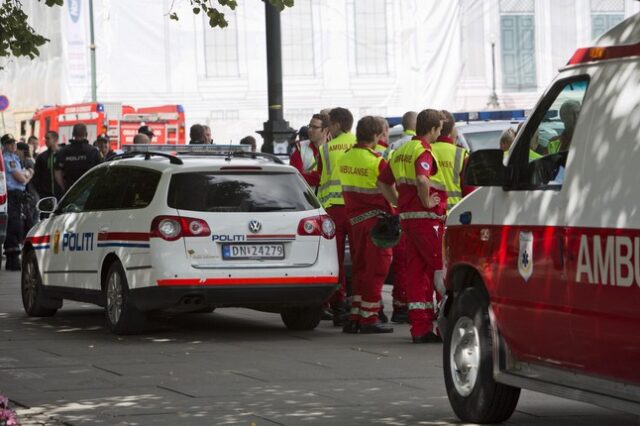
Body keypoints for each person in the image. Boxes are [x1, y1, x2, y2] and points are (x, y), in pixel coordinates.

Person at [377, 109, 447, 343]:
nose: (439, 133)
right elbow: (421, 179)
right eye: (439, 129)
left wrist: (399, 203)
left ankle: (420, 328)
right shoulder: (423, 150)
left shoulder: (400, 150)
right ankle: (446, 326)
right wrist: (427, 201)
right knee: (440, 270)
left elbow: (383, 182)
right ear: (433, 129)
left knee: (416, 274)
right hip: (428, 221)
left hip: (408, 220)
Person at [338, 116, 394, 334]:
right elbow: (388, 190)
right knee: (377, 269)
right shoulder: (376, 161)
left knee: (360, 268)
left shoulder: (345, 158)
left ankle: (356, 314)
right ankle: (369, 317)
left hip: (354, 221)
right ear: (376, 135)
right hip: (376, 223)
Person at [317, 107, 357, 325]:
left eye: (330, 124)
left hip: (333, 209)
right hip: (356, 207)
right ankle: (361, 305)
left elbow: (319, 178)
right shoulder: (361, 144)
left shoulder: (325, 149)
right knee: (361, 259)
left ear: (338, 125)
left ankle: (339, 306)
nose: (328, 129)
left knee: (337, 260)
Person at [2, 134, 34, 270]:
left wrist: (26, 175)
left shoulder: (15, 157)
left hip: (19, 195)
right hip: (13, 195)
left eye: (14, 143)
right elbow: (21, 178)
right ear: (4, 145)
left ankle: (18, 255)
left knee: (26, 224)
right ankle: (12, 258)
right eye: (9, 143)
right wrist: (29, 174)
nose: (13, 145)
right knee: (14, 225)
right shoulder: (8, 158)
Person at [54, 123, 102, 192]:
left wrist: (64, 188)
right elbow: (99, 172)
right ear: (86, 134)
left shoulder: (64, 151)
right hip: (88, 191)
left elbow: (57, 172)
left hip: (70, 191)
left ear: (73, 134)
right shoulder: (93, 151)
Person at [290, 113, 329, 192]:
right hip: (307, 201)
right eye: (309, 126)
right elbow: (295, 177)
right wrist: (320, 176)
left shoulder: (334, 148)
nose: (310, 130)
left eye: (314, 127)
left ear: (325, 130)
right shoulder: (300, 147)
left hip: (328, 202)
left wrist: (307, 173)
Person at [33, 131, 64, 200]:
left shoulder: (63, 154)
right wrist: (41, 191)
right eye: (45, 138)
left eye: (48, 138)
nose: (45, 141)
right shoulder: (41, 157)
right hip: (46, 195)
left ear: (55, 139)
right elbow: (36, 176)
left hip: (62, 194)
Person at [16, 142, 39, 230]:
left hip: (31, 194)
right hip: (33, 194)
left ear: (22, 151)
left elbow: (26, 178)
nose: (15, 151)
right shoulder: (29, 160)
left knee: (31, 221)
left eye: (17, 149)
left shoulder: (28, 161)